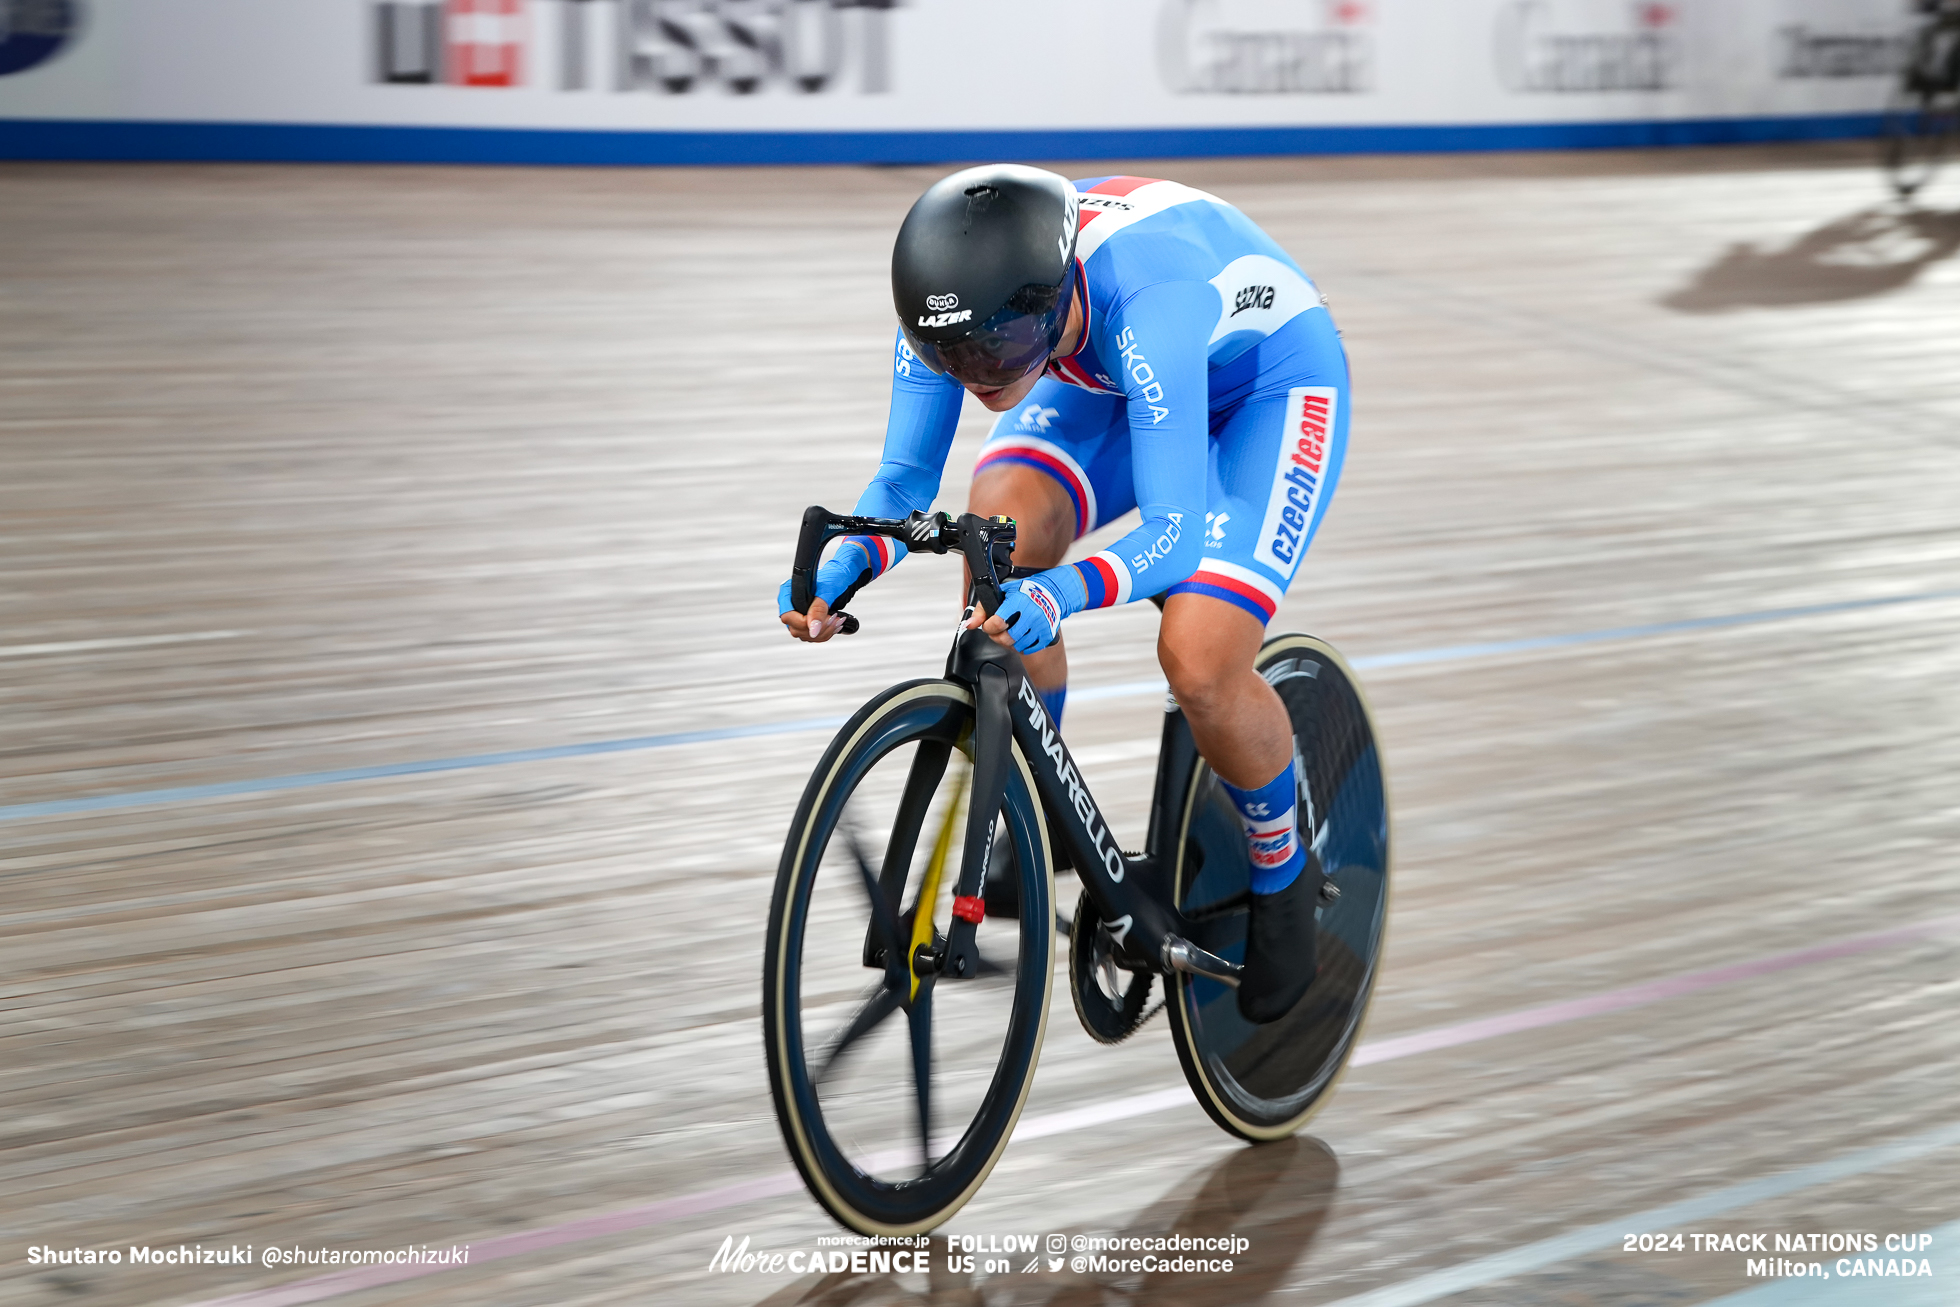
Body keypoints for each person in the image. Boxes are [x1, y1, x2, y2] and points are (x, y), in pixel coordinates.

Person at [779, 165, 1349, 1023]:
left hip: (1266, 385)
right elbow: (903, 482)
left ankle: (1285, 870)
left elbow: (1173, 537)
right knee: (998, 522)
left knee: (1198, 658)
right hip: (1111, 380)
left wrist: (1062, 593)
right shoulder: (959, 304)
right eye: (953, 357)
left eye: (996, 355)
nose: (976, 376)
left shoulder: (1149, 305)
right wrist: (844, 567)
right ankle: (1042, 804)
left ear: (1053, 301)